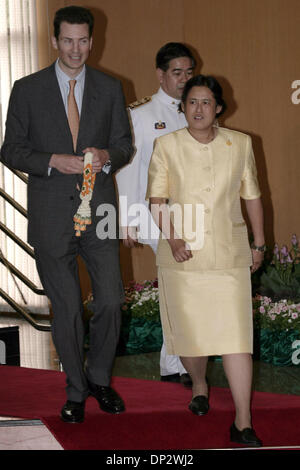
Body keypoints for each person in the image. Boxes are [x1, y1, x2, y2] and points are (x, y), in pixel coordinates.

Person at [0, 6, 133, 424]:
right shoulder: (26, 88)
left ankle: (99, 378)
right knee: (68, 310)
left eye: (83, 41)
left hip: (101, 211)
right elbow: (11, 149)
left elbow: (124, 145)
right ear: (55, 41)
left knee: (111, 300)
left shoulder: (111, 88)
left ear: (93, 42)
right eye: (68, 40)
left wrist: (106, 155)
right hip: (51, 214)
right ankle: (76, 389)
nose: (76, 50)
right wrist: (53, 160)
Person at [147, 74, 265, 447]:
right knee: (192, 340)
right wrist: (174, 238)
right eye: (191, 102)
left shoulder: (240, 144)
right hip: (183, 256)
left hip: (229, 255)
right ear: (183, 108)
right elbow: (157, 201)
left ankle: (243, 421)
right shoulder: (166, 145)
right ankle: (198, 381)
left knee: (236, 338)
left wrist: (258, 243)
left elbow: (253, 197)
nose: (198, 109)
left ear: (218, 108)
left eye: (206, 102)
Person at [116, 42, 196, 385]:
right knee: (177, 287)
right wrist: (127, 218)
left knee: (186, 288)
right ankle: (173, 365)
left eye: (189, 72)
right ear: (160, 75)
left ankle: (178, 362)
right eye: (177, 73)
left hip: (194, 213)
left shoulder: (197, 109)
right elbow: (129, 170)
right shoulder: (141, 114)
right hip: (156, 215)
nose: (184, 79)